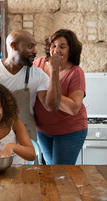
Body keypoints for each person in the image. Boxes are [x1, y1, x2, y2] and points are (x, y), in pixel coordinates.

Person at [0, 30, 62, 159]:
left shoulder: (37, 74)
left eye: (35, 47)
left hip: (26, 141)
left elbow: (52, 107)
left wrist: (54, 71)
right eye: (30, 46)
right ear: (14, 46)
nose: (35, 51)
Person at [33, 29, 88, 165]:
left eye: (62, 47)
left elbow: (74, 108)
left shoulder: (75, 72)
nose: (56, 50)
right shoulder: (38, 64)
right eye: (53, 45)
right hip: (43, 131)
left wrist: (48, 90)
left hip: (69, 131)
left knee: (61, 174)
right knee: (51, 172)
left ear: (71, 51)